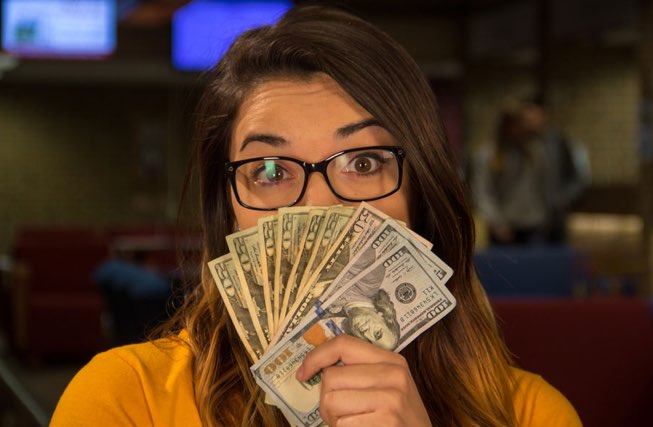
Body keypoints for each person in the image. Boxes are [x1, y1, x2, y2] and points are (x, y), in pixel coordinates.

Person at [51, 6, 582, 427]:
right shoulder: (123, 398)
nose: (319, 207)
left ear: (422, 195)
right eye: (272, 171)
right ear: (229, 209)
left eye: (364, 162)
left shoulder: (532, 414)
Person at [472, 102, 553, 245]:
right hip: (504, 227)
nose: (523, 128)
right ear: (505, 126)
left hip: (534, 225)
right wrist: (497, 222)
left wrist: (548, 216)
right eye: (518, 124)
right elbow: (482, 193)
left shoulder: (536, 152)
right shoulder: (488, 156)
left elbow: (545, 188)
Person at [521, 98, 590, 244]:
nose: (529, 121)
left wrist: (566, 196)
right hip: (528, 217)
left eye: (533, 115)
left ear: (544, 115)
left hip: (556, 214)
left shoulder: (559, 142)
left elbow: (576, 176)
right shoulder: (521, 144)